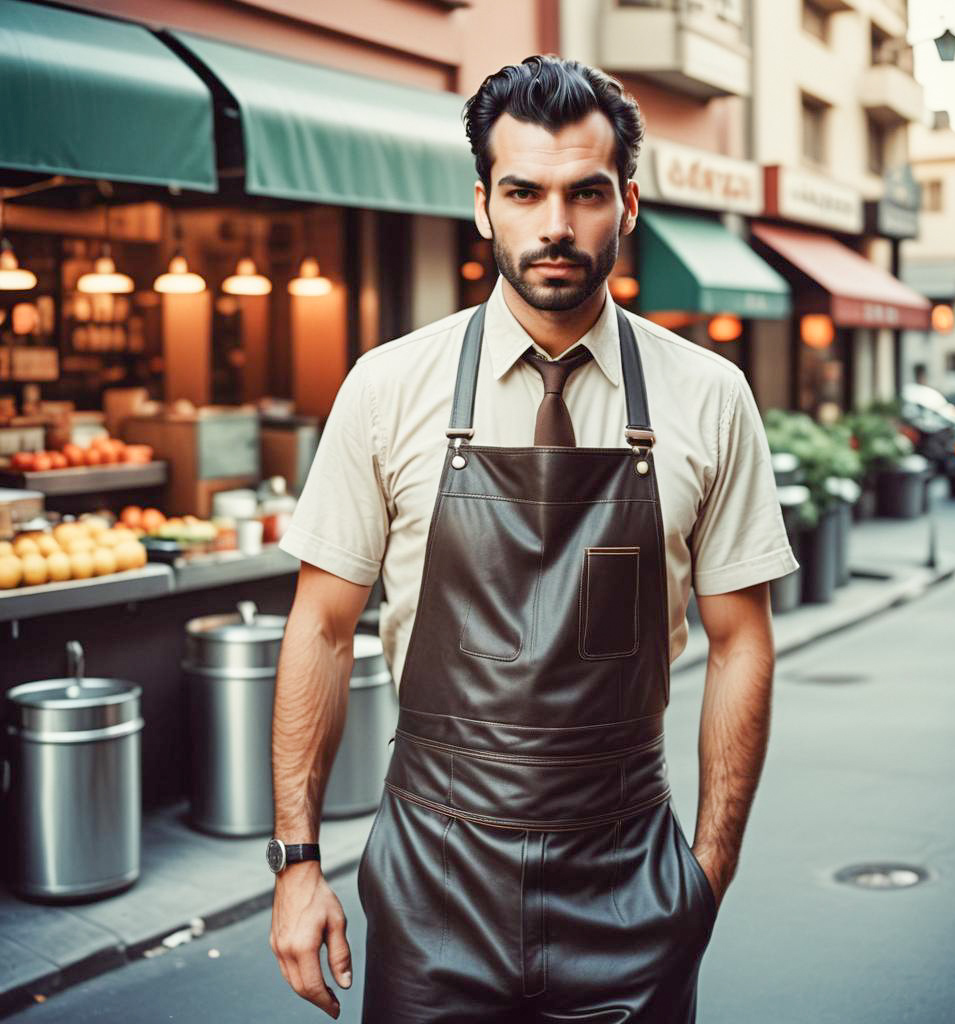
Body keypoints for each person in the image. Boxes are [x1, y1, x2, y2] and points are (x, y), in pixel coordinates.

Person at [269, 55, 799, 1023]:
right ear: (482, 205)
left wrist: (705, 878)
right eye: (523, 191)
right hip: (432, 880)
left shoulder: (708, 397)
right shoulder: (387, 389)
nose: (555, 225)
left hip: (629, 880)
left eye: (585, 193)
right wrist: (298, 862)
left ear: (627, 203)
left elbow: (740, 640)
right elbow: (321, 628)